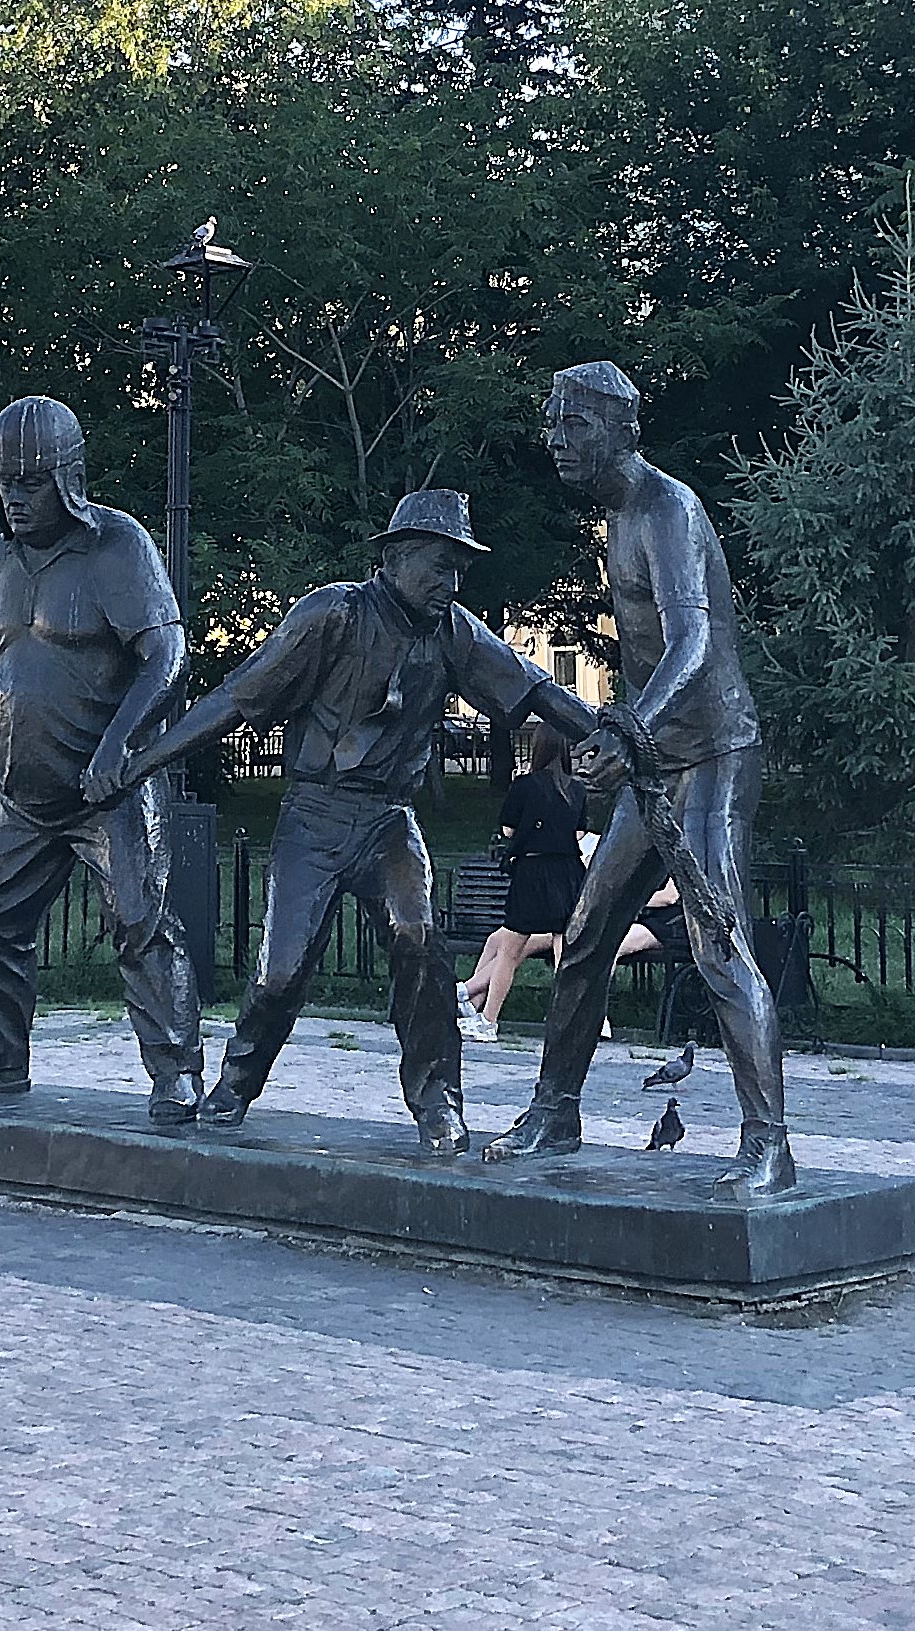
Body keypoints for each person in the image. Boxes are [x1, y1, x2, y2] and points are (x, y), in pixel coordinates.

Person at [100, 491, 598, 1151]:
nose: (451, 585)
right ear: (394, 559)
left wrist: (610, 734)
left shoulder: (451, 630)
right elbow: (236, 698)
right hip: (314, 814)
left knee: (418, 938)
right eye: (439, 567)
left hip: (388, 820)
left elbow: (534, 688)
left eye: (458, 572)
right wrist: (144, 761)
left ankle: (437, 1102)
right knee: (281, 972)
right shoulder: (333, 614)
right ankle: (237, 1083)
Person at [485, 361, 793, 1198]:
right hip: (656, 763)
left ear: (622, 430)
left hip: (713, 755)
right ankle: (555, 1110)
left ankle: (768, 1144)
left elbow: (695, 644)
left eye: (574, 423)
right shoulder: (618, 516)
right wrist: (637, 738)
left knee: (718, 941)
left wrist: (630, 728)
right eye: (552, 421)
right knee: (586, 933)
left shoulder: (666, 509)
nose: (555, 439)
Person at [0, 397, 204, 1122]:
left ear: (67, 479)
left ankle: (175, 1070)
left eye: (32, 481)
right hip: (23, 792)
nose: (15, 497)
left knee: (141, 924)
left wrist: (119, 746)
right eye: (5, 482)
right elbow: (6, 666)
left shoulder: (117, 547)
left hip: (108, 790)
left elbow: (167, 656)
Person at [459, 722, 587, 1042]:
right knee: (564, 951)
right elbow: (579, 833)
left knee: (510, 951)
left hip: (532, 872)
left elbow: (508, 830)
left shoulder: (525, 786)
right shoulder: (577, 789)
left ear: (538, 748)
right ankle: (569, 1023)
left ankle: (489, 1020)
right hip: (568, 873)